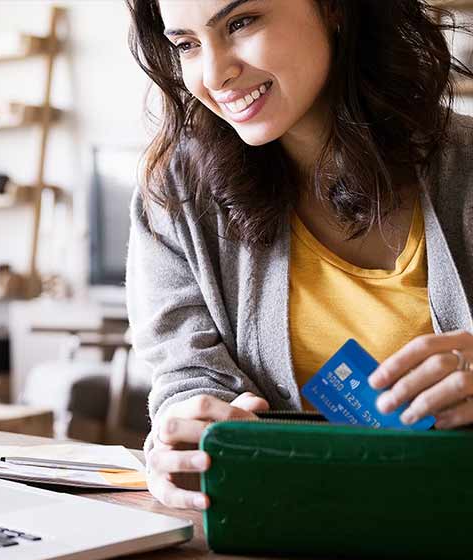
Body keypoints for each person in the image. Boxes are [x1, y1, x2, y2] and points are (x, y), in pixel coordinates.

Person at [125, 0, 473, 511]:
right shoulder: (176, 197)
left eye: (241, 23)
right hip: (282, 542)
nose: (215, 73)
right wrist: (185, 437)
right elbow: (187, 377)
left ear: (334, 8)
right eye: (187, 45)